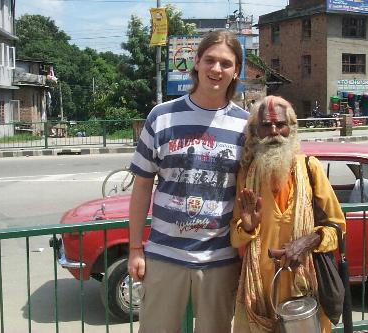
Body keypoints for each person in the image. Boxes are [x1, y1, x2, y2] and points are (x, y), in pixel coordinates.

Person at [127, 29, 249, 333]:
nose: (216, 69)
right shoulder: (162, 116)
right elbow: (142, 186)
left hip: (220, 259)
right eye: (210, 60)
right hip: (165, 255)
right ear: (196, 62)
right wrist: (134, 248)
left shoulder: (246, 125)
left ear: (236, 72)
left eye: (226, 63)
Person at [230, 95, 346, 333]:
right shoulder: (247, 175)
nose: (274, 131)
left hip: (305, 287)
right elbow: (234, 237)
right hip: (260, 290)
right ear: (256, 131)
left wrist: (306, 242)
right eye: (266, 125)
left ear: (291, 129)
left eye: (280, 124)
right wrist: (249, 227)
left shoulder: (309, 168)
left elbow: (337, 227)